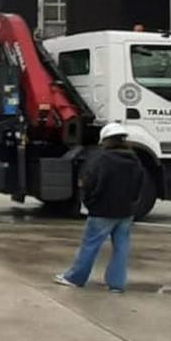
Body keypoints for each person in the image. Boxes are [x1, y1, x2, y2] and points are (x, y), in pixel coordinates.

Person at [55, 123, 144, 292]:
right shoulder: (134, 160)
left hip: (102, 211)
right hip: (126, 212)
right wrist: (133, 204)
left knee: (90, 245)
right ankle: (116, 285)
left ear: (105, 140)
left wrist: (89, 202)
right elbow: (139, 185)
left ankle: (75, 278)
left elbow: (92, 183)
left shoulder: (103, 159)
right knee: (121, 248)